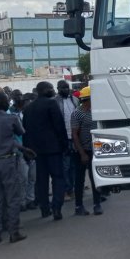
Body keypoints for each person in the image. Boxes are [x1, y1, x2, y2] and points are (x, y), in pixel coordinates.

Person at [0, 92, 34, 245]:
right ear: (5, 103)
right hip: (8, 161)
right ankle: (13, 231)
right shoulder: (11, 118)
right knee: (12, 198)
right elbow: (20, 132)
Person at [24, 82, 68, 221]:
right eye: (51, 88)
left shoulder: (28, 108)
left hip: (37, 150)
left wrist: (28, 149)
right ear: (44, 90)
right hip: (53, 148)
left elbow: (26, 130)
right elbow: (59, 126)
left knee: (41, 180)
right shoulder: (51, 104)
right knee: (58, 178)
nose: (53, 90)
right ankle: (56, 207)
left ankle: (44, 208)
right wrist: (65, 145)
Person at [71, 87, 102, 216]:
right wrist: (82, 153)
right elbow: (74, 135)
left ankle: (97, 204)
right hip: (81, 151)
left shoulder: (97, 111)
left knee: (95, 178)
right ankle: (79, 206)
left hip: (95, 150)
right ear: (87, 99)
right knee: (79, 180)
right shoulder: (77, 113)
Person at [55, 80, 79, 202]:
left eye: (66, 87)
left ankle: (74, 188)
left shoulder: (74, 100)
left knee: (74, 165)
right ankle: (66, 190)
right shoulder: (55, 102)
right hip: (63, 138)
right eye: (62, 88)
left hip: (75, 137)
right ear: (58, 89)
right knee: (65, 165)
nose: (65, 90)